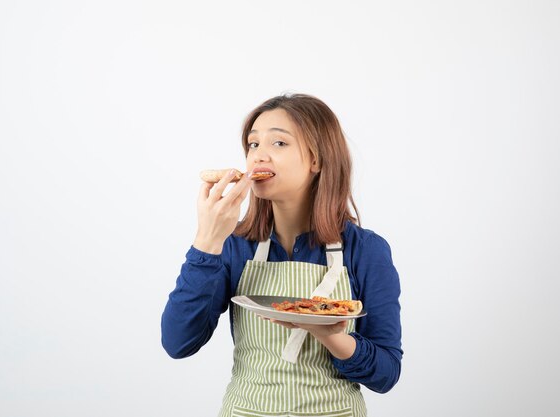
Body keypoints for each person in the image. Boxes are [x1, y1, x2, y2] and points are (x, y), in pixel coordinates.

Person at [161, 94, 402, 417]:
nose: (259, 156)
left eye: (278, 143)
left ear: (316, 160)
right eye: (252, 144)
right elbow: (178, 343)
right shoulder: (234, 246)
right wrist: (207, 241)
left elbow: (386, 374)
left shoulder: (366, 250)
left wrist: (332, 337)